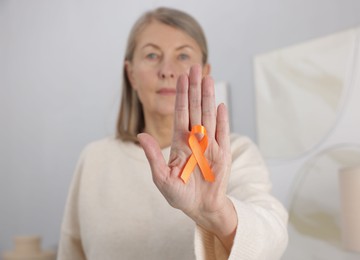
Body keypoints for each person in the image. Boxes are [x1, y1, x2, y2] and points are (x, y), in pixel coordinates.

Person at [58, 7, 288, 260]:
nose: (167, 70)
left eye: (183, 56)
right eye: (152, 55)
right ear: (131, 74)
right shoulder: (94, 158)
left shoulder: (236, 153)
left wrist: (216, 213)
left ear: (205, 72)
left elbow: (273, 237)